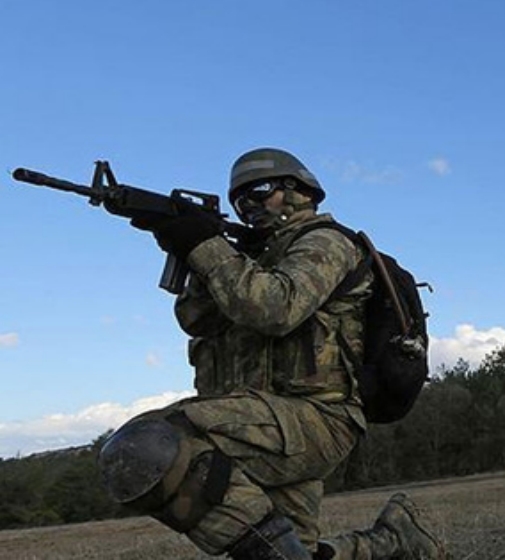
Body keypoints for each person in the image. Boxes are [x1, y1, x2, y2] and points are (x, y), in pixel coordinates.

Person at [96, 148, 446, 559]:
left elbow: (274, 308)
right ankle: (395, 541)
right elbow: (196, 319)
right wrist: (190, 245)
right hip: (265, 420)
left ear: (299, 191)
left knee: (147, 447)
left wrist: (205, 245)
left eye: (260, 191)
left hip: (315, 418)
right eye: (239, 199)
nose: (249, 205)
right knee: (296, 550)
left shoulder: (327, 243)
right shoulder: (248, 259)